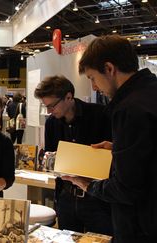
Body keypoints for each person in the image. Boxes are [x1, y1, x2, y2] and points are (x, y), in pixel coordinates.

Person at [65, 35, 157, 242]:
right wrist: (120, 149)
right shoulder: (150, 92)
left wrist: (88, 185)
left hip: (142, 227)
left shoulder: (129, 108)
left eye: (92, 78)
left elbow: (127, 188)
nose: (94, 87)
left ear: (109, 68)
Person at [34, 75, 113, 235]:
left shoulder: (101, 115)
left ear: (69, 97)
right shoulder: (52, 123)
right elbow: (52, 157)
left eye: (52, 106)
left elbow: (112, 158)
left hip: (96, 198)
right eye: (46, 106)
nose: (49, 111)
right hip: (66, 196)